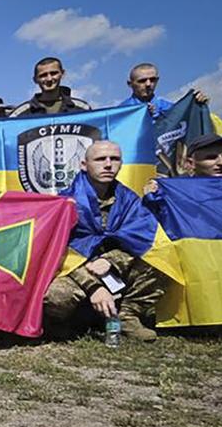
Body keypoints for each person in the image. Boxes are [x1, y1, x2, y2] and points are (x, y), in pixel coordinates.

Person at [44, 141, 167, 342]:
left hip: (114, 270)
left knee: (163, 261)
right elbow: (57, 254)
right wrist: (94, 286)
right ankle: (71, 323)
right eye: (100, 159)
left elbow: (144, 240)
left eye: (115, 159)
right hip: (77, 271)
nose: (108, 164)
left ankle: (127, 316)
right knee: (55, 296)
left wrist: (112, 261)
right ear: (84, 165)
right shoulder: (65, 203)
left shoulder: (130, 201)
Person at [121, 63, 209, 119]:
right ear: (130, 84)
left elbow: (191, 123)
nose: (148, 84)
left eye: (152, 80)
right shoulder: (120, 112)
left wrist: (199, 108)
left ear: (157, 80)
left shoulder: (170, 109)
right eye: (142, 81)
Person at [9, 57, 92, 117]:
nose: (49, 79)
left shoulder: (81, 109)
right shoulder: (20, 114)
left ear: (62, 74)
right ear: (35, 79)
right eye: (43, 75)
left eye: (53, 73)